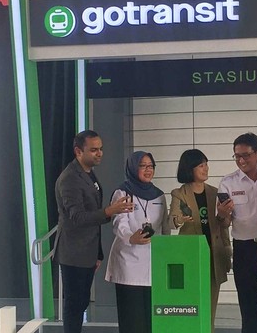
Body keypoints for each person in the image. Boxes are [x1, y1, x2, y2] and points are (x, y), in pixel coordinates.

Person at [54, 130, 135, 333]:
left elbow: (93, 219)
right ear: (78, 151)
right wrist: (110, 210)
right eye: (93, 150)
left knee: (81, 302)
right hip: (73, 252)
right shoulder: (70, 178)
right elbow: (77, 217)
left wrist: (97, 252)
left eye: (100, 149)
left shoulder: (89, 174)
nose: (99, 153)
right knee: (75, 304)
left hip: (88, 251)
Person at [217, 133, 257, 333]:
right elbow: (224, 222)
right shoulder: (228, 182)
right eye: (237, 156)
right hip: (244, 250)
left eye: (246, 155)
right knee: (248, 306)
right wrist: (221, 214)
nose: (241, 160)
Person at [105, 151, 170, 333]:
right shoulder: (123, 192)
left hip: (153, 264)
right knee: (132, 321)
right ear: (133, 168)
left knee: (152, 321)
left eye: (151, 166)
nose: (148, 170)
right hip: (129, 263)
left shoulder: (159, 195)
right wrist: (130, 237)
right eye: (143, 166)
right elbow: (119, 223)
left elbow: (165, 228)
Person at [170, 149, 232, 333]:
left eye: (206, 164)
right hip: (191, 256)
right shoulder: (179, 193)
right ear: (189, 169)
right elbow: (172, 220)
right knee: (190, 304)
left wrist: (222, 215)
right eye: (200, 165)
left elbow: (225, 224)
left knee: (210, 306)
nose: (205, 168)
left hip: (213, 255)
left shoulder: (215, 193)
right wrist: (181, 219)